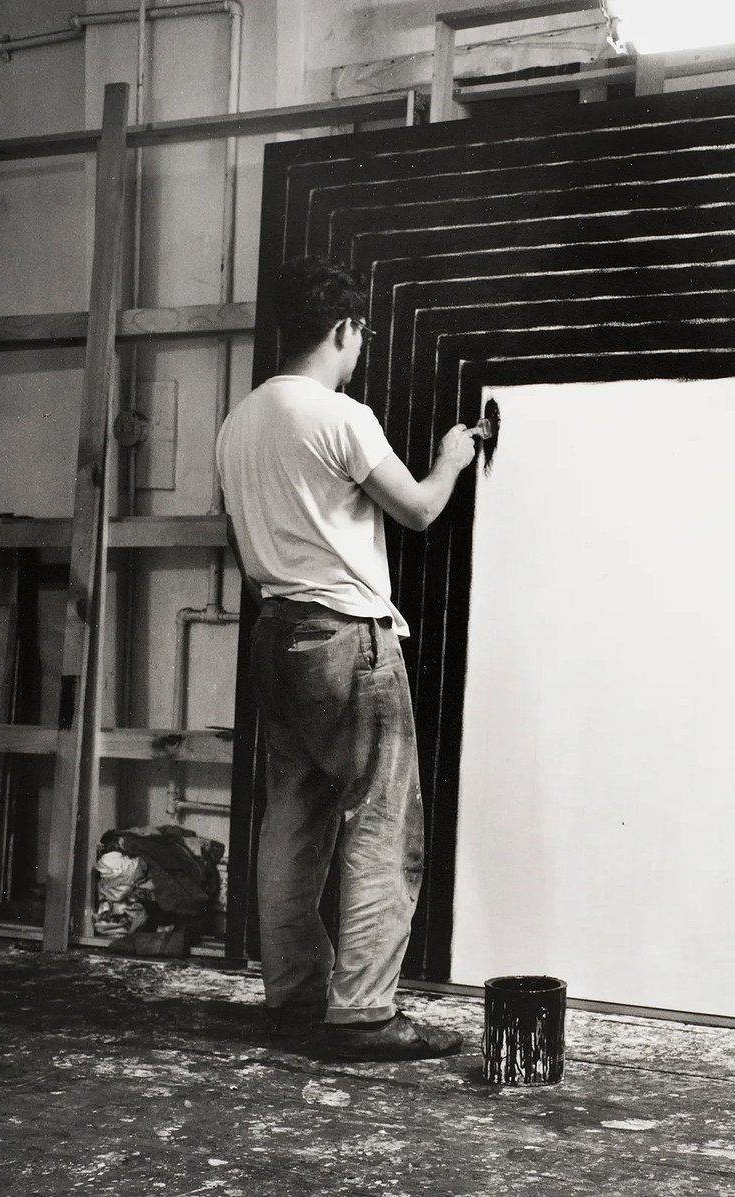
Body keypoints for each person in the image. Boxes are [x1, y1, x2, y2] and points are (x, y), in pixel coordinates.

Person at [216, 255, 479, 1061]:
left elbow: (236, 536)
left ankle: (292, 997)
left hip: (275, 634)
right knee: (382, 820)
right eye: (361, 333)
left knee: (291, 821)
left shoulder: (238, 424)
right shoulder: (341, 415)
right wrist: (454, 456)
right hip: (346, 637)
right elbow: (421, 509)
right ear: (342, 329)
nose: (361, 348)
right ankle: (363, 1011)